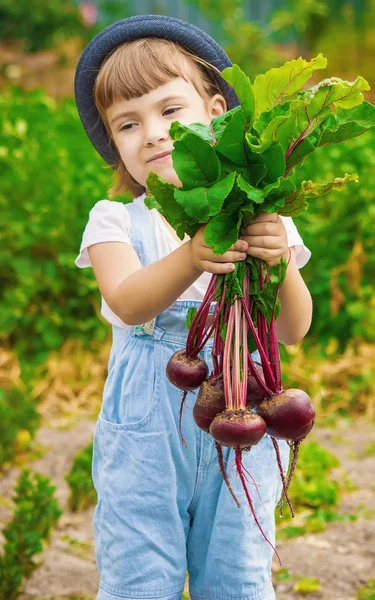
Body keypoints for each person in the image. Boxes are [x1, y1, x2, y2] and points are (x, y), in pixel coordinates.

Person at [74, 14, 313, 600]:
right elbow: (128, 303)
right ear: (114, 144)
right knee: (139, 573)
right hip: (145, 441)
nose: (153, 134)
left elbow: (293, 328)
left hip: (242, 422)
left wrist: (276, 258)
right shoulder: (114, 220)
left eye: (169, 111)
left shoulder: (262, 217)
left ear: (214, 111)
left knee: (237, 575)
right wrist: (192, 256)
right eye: (128, 124)